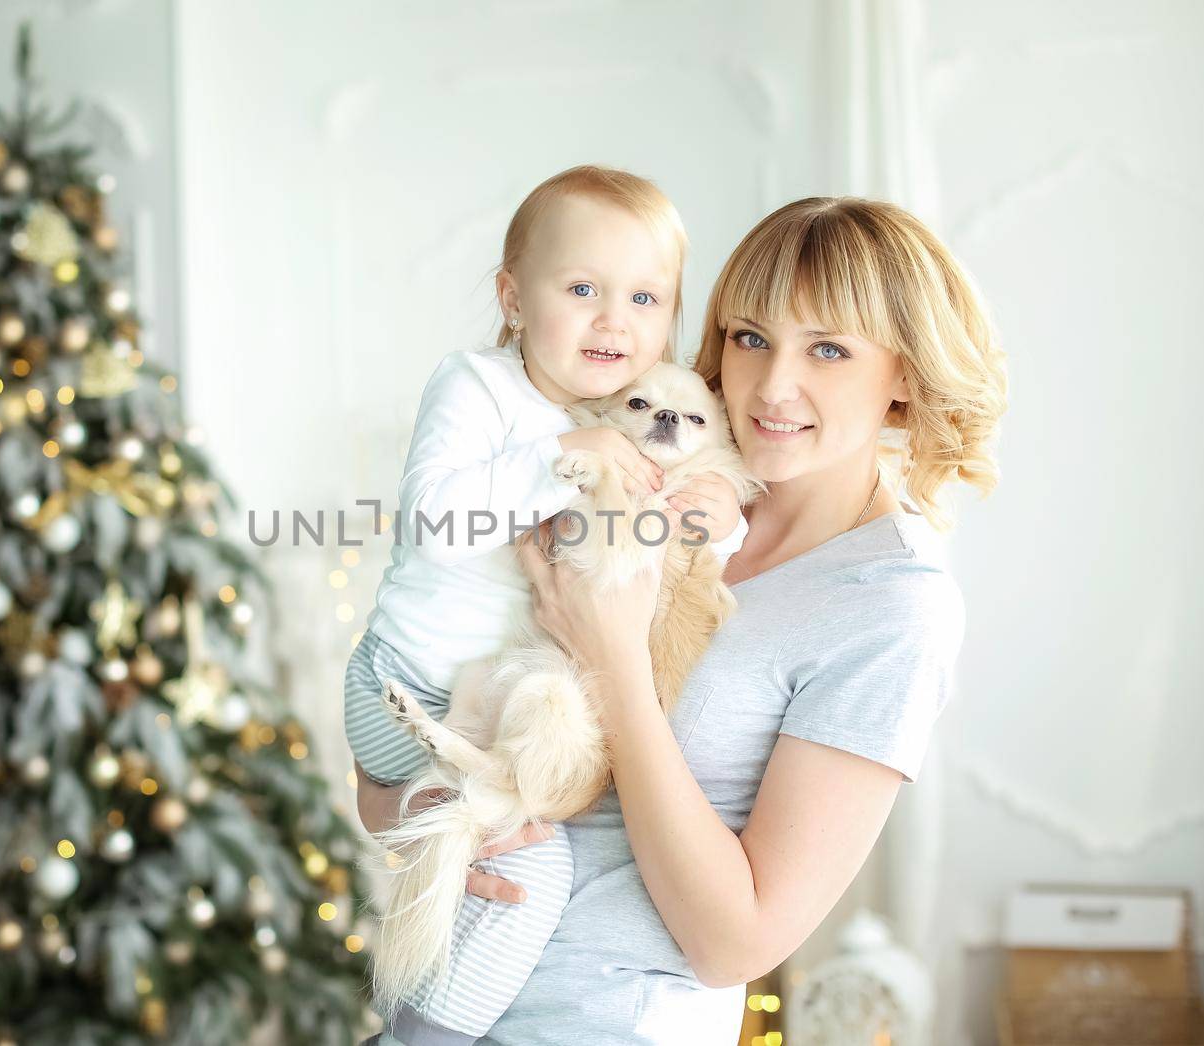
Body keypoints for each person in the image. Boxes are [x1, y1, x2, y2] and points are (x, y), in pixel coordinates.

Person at [358, 195, 1009, 1044]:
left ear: (905, 378)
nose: (774, 386)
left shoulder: (890, 603)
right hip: (441, 1001)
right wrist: (449, 812)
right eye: (750, 337)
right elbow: (390, 787)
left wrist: (615, 659)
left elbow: (735, 942)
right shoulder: (638, 468)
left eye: (829, 350)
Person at [343, 165, 747, 1043]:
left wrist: (716, 528)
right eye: (582, 288)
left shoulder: (634, 411)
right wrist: (568, 451)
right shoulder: (480, 388)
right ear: (513, 298)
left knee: (507, 861)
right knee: (533, 875)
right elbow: (434, 523)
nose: (615, 319)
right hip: (407, 684)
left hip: (488, 709)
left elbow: (659, 548)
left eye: (645, 298)